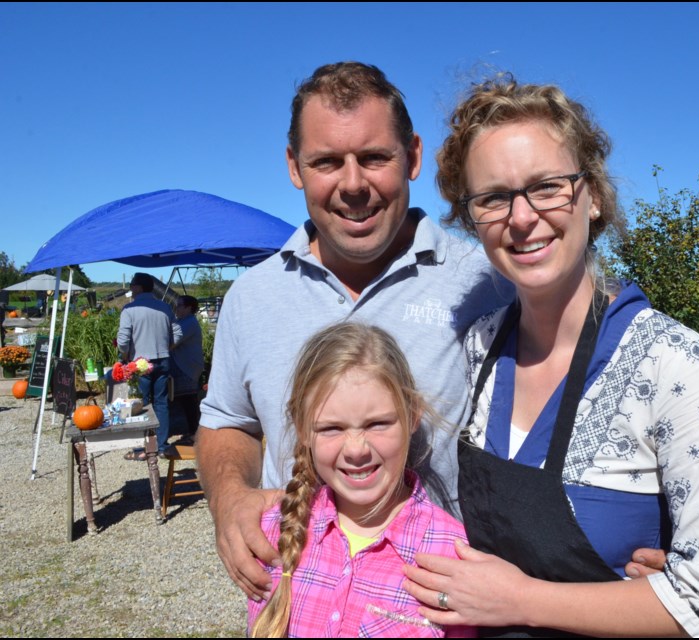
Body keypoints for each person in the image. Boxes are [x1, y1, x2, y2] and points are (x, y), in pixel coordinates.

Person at [401, 75, 699, 636]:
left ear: (592, 195)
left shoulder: (670, 362)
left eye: (547, 186)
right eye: (493, 198)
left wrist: (523, 601)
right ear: (470, 217)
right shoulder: (477, 348)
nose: (522, 217)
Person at [196, 61, 512, 602]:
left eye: (373, 157)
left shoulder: (485, 284)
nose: (353, 185)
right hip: (299, 602)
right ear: (295, 167)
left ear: (412, 157)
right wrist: (229, 497)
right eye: (326, 162)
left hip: (441, 605)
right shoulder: (253, 297)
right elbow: (228, 420)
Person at [248, 322, 475, 638]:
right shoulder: (275, 531)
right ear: (302, 429)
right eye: (332, 428)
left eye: (377, 424)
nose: (356, 450)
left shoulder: (451, 554)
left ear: (412, 416)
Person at [117, 272, 175, 460]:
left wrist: (125, 357)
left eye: (132, 285)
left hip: (139, 363)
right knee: (161, 403)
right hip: (163, 358)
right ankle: (162, 445)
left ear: (138, 287)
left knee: (137, 404)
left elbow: (123, 341)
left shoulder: (129, 309)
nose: (131, 289)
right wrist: (166, 347)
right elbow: (177, 334)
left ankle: (141, 447)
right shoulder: (165, 307)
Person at [170, 294, 204, 447]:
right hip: (185, 365)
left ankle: (194, 433)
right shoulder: (182, 321)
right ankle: (191, 432)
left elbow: (172, 342)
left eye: (179, 306)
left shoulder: (189, 323)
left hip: (187, 367)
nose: (176, 309)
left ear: (189, 308)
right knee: (186, 400)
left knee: (188, 400)